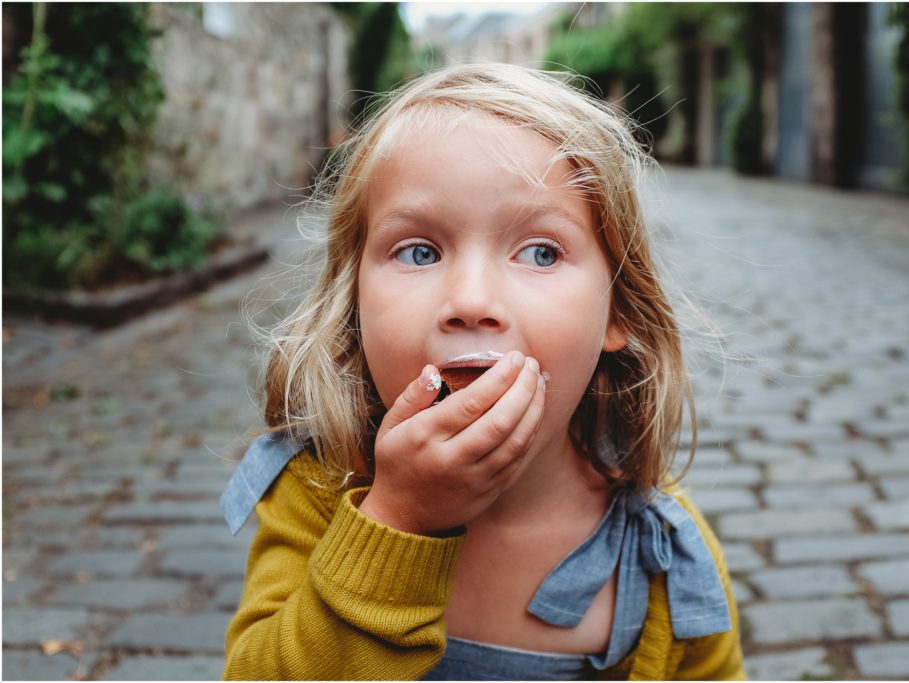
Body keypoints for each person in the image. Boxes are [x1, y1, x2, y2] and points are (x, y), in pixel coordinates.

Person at [220, 63, 745, 680]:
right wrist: (398, 521)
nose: (471, 301)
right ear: (352, 302)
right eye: (420, 251)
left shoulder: (664, 552)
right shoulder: (315, 492)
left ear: (619, 309)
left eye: (540, 253)